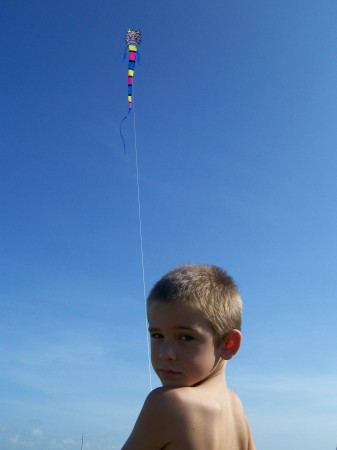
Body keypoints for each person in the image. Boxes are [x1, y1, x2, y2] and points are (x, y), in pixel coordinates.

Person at [121, 264, 256, 450]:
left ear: (228, 344)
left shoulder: (168, 404)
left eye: (185, 337)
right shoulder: (237, 410)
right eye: (157, 335)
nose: (165, 353)